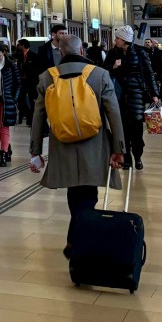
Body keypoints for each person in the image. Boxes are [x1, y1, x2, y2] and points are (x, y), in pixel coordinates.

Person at [29, 34, 125, 258]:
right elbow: (114, 112)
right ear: (82, 50)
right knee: (89, 192)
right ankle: (78, 238)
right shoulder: (100, 75)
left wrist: (35, 150)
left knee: (75, 190)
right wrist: (118, 148)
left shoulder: (47, 77)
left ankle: (77, 238)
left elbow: (38, 116)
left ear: (60, 52)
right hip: (94, 142)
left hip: (62, 144)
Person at [104, 25, 160, 170]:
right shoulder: (112, 54)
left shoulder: (140, 53)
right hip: (118, 94)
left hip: (136, 94)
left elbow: (149, 74)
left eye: (117, 38)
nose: (115, 40)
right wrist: (113, 67)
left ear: (124, 40)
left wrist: (154, 94)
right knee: (122, 128)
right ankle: (126, 158)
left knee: (136, 128)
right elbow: (103, 71)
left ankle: (138, 155)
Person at [17, 39, 41, 124]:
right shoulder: (19, 56)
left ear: (23, 45)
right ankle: (26, 114)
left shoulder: (34, 56)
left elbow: (37, 70)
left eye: (19, 45)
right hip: (22, 83)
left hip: (32, 82)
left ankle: (30, 119)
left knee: (32, 100)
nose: (18, 47)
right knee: (21, 100)